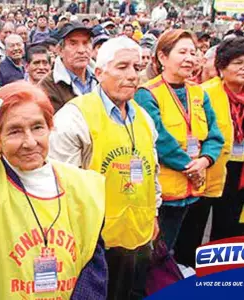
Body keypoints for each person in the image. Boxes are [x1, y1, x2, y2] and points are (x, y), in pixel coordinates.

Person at [0, 26, 107, 300]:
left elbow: (92, 270)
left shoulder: (83, 185)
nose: (29, 142)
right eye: (14, 131)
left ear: (51, 128)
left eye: (37, 128)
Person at [49, 36, 161, 300]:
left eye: (136, 67)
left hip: (139, 235)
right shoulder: (74, 116)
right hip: (95, 244)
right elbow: (58, 184)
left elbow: (152, 172)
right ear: (99, 73)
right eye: (122, 67)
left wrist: (154, 212)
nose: (132, 75)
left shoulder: (143, 118)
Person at [134, 29, 224, 253]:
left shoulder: (198, 92)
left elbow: (214, 134)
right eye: (182, 52)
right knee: (153, 253)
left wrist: (204, 160)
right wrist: (190, 166)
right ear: (163, 57)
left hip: (192, 189)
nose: (189, 58)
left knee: (174, 250)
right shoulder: (148, 94)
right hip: (163, 194)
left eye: (193, 53)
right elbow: (160, 140)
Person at [175, 38, 244, 267]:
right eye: (238, 63)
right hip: (207, 167)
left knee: (229, 226)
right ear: (222, 67)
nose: (242, 68)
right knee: (193, 226)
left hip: (239, 172)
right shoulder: (204, 93)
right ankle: (186, 271)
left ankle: (219, 275)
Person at [39, 22, 96, 113]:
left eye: (85, 43)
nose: (81, 50)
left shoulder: (102, 78)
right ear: (60, 50)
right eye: (73, 44)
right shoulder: (48, 86)